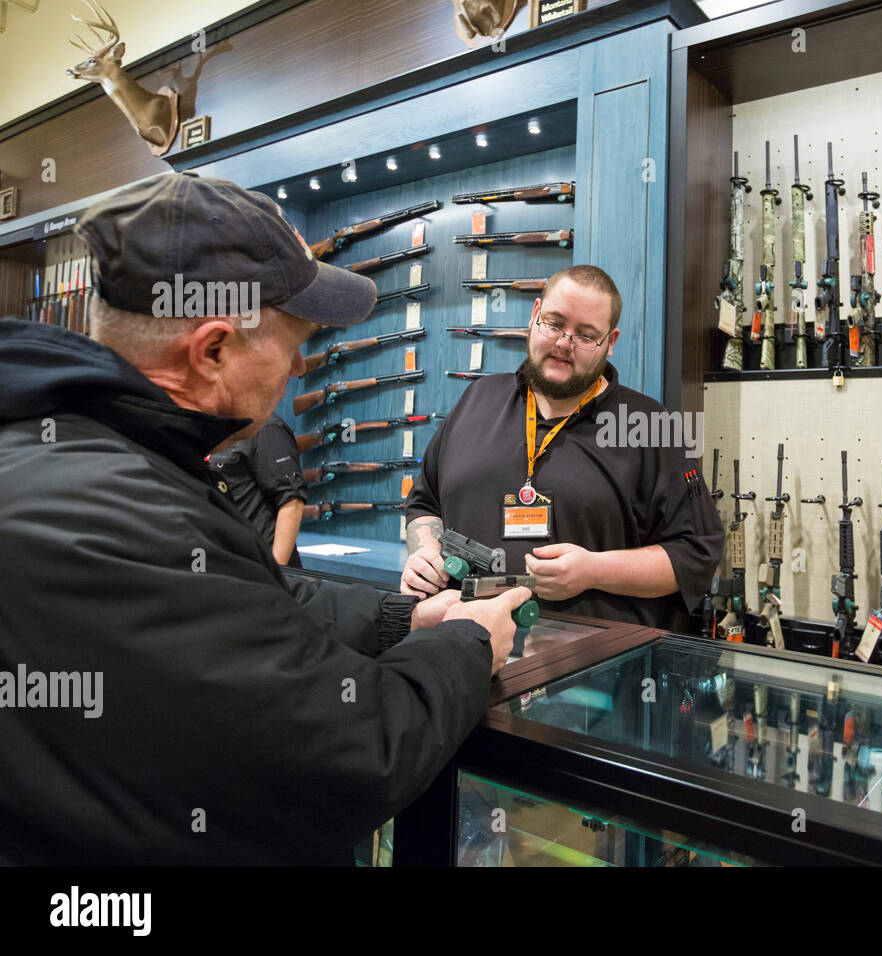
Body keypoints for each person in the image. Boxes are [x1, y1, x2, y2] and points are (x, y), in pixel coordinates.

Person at [0, 171, 528, 865]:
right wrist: (466, 643)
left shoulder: (77, 455)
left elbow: (239, 605)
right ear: (213, 349)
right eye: (292, 340)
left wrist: (404, 621)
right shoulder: (123, 503)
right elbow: (352, 754)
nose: (300, 364)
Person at [401, 264, 723, 630]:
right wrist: (425, 550)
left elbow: (698, 553)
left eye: (586, 335)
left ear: (611, 342)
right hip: (461, 651)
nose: (563, 343)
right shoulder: (477, 398)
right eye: (554, 323)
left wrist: (594, 571)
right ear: (535, 314)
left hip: (588, 672)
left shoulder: (653, 426)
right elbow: (424, 505)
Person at [208, 412, 307, 566]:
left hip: (259, 563)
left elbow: (292, 501)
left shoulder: (266, 427)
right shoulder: (211, 427)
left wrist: (277, 573)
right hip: (224, 559)